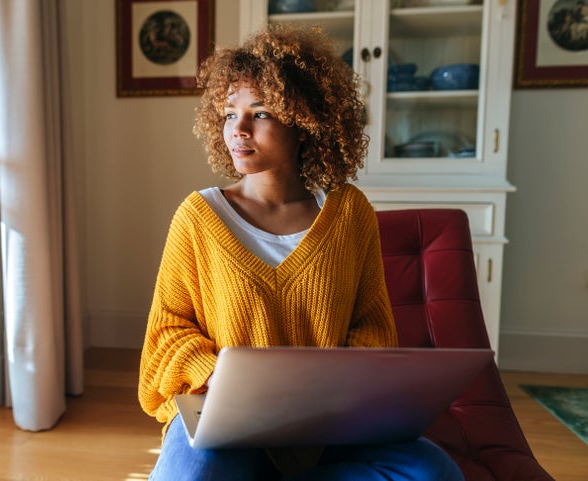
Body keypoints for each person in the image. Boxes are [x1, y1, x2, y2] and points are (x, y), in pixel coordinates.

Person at [138, 23, 465, 481]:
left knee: (433, 472)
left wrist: (335, 389)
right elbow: (167, 333)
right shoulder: (198, 217)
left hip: (330, 425)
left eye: (262, 113)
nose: (240, 129)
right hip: (225, 420)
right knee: (195, 474)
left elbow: (372, 324)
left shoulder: (349, 214)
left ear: (306, 121)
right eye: (230, 113)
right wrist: (220, 379)